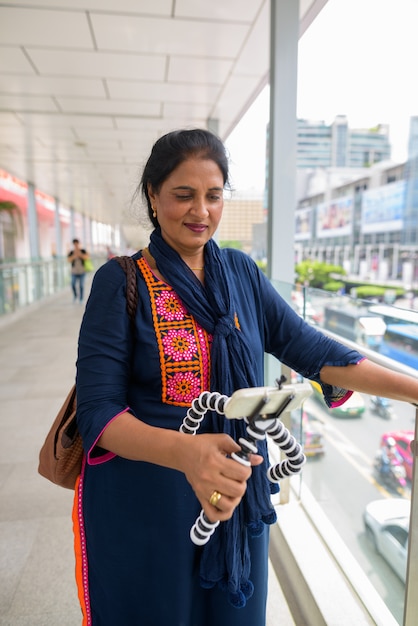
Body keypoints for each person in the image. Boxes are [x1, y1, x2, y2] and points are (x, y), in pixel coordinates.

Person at [74, 129, 418, 626]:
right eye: (183, 195)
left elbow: (313, 350)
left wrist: (413, 389)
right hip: (152, 500)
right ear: (152, 195)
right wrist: (187, 452)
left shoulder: (241, 272)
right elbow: (98, 414)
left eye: (213, 196)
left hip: (237, 491)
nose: (201, 212)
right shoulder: (120, 281)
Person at [67, 239, 89, 303]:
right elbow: (68, 260)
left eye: (77, 244)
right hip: (74, 272)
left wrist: (80, 255)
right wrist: (74, 256)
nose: (76, 245)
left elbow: (87, 257)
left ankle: (81, 298)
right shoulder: (71, 252)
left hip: (82, 271)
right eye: (75, 244)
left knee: (81, 285)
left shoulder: (83, 251)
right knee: (73, 284)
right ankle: (75, 295)